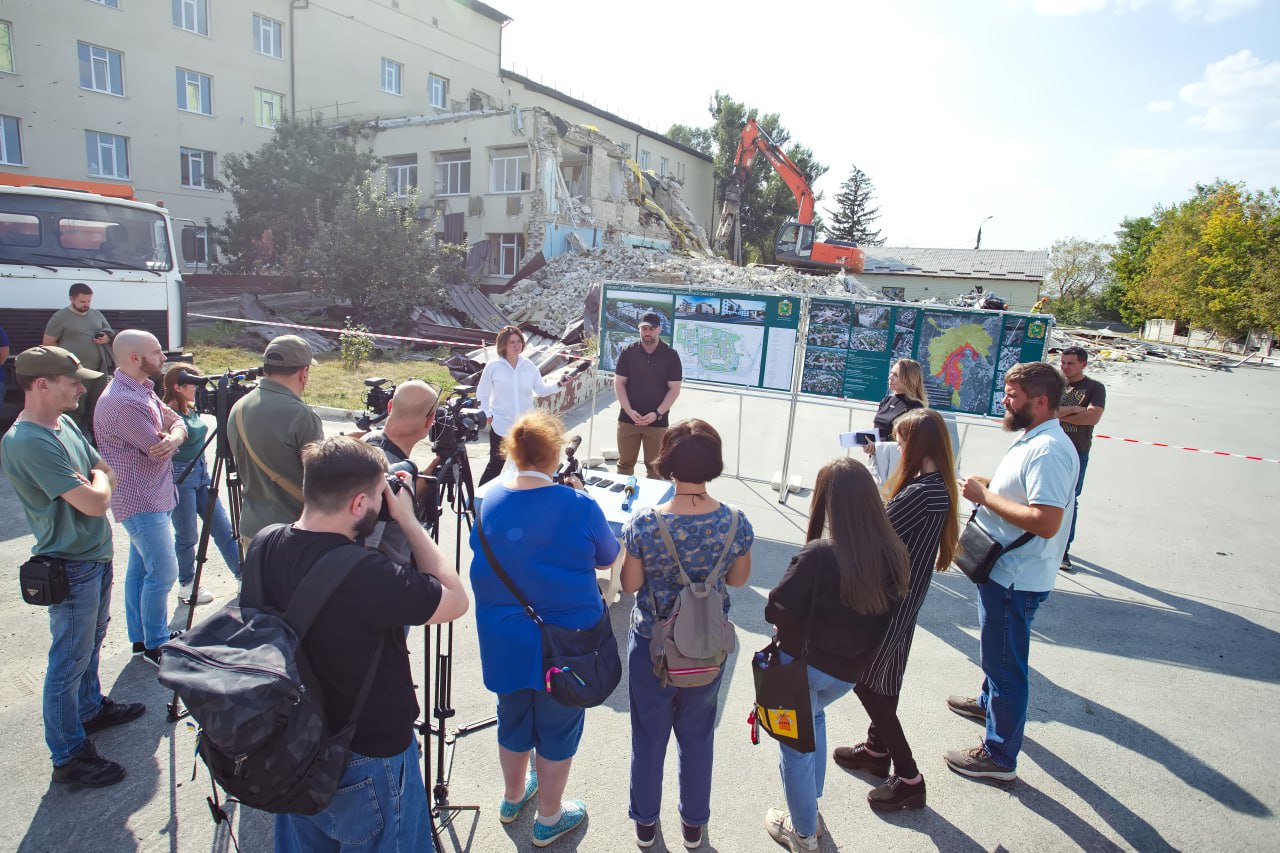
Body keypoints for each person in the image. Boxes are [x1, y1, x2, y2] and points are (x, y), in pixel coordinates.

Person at [252, 437, 469, 852]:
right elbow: (455, 599)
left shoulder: (265, 544)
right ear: (357, 505)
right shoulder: (369, 574)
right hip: (367, 753)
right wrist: (407, 519)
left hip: (292, 746)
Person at [468, 410, 620, 848]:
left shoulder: (490, 499)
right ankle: (549, 817)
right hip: (566, 643)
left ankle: (513, 796)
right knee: (558, 725)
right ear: (555, 454)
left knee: (512, 718)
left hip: (504, 638)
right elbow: (608, 556)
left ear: (512, 451)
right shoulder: (578, 504)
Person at [1, 346, 144, 788]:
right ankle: (68, 755)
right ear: (41, 384)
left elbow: (105, 469)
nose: (82, 388)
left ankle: (88, 709)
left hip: (93, 555)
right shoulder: (27, 440)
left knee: (92, 643)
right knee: (68, 660)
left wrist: (95, 482)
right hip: (70, 563)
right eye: (73, 381)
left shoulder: (62, 424)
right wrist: (95, 486)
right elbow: (96, 497)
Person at [620, 419, 754, 849]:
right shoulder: (736, 522)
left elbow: (630, 586)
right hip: (708, 648)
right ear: (713, 463)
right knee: (698, 736)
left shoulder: (645, 523)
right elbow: (737, 581)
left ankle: (645, 822)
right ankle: (693, 826)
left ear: (668, 463)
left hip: (654, 646)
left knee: (648, 735)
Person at [763, 458, 909, 852]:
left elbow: (774, 609)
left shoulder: (820, 554)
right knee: (814, 720)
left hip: (803, 669)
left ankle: (803, 832)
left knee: (795, 746)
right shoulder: (893, 554)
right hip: (848, 674)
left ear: (830, 504)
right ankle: (809, 808)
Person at [945, 362, 1078, 783]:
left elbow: (1045, 519)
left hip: (1016, 578)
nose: (1005, 401)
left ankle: (999, 756)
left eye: (1012, 395)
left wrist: (985, 495)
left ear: (1040, 402)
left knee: (1006, 666)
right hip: (1007, 573)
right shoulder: (1036, 438)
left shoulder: (1049, 450)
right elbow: (1028, 498)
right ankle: (988, 703)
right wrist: (994, 489)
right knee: (998, 656)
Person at [833, 408, 959, 811]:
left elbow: (877, 535)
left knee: (868, 682)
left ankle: (909, 777)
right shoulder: (935, 486)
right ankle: (876, 750)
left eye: (902, 441)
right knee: (884, 679)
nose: (897, 448)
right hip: (902, 597)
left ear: (918, 445)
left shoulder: (924, 492)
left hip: (890, 602)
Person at [94, 330, 186, 666]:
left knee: (140, 571)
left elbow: (176, 421)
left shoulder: (140, 390)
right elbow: (157, 452)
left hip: (151, 495)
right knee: (162, 571)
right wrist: (173, 439)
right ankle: (156, 644)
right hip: (142, 499)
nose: (164, 358)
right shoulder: (125, 402)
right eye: (157, 352)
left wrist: (173, 436)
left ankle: (142, 637)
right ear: (135, 358)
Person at [227, 335, 324, 545]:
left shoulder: (239, 407)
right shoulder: (301, 415)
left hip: (252, 529)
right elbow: (319, 483)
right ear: (303, 372)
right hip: (294, 533)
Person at [160, 363, 241, 605]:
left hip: (203, 473)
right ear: (178, 387)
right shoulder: (166, 414)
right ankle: (187, 584)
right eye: (194, 385)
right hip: (180, 476)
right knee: (187, 536)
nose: (200, 390)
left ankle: (242, 575)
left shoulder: (193, 408)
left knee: (223, 528)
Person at [476, 326, 569, 486]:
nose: (516, 345)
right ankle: (479, 500)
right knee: (495, 466)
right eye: (512, 342)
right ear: (503, 344)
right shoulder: (493, 366)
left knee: (529, 467)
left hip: (527, 427)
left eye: (519, 341)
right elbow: (482, 393)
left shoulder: (528, 365)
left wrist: (559, 384)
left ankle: (524, 497)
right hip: (501, 425)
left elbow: (540, 389)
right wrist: (487, 413)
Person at [361, 379, 441, 565]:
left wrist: (423, 479)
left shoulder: (368, 442)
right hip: (386, 582)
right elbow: (369, 545)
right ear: (430, 420)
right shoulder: (384, 468)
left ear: (390, 406)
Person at [614, 312, 682, 479]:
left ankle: (653, 505)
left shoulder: (671, 356)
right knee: (624, 465)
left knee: (656, 469)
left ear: (659, 329)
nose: (647, 332)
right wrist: (629, 411)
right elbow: (619, 383)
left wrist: (657, 413)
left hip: (657, 423)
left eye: (651, 329)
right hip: (628, 420)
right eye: (644, 328)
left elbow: (674, 389)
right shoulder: (627, 352)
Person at [1056, 346, 1105, 572]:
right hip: (1049, 448)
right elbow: (1045, 413)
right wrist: (1076, 409)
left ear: (1083, 364)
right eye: (1063, 362)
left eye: (1070, 363)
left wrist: (1062, 411)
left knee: (1069, 499)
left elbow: (1092, 417)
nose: (1065, 367)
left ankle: (1063, 550)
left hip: (1077, 451)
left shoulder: (1095, 388)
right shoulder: (1054, 384)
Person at [42, 283, 114, 440]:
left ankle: (97, 440)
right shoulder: (60, 317)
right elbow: (49, 343)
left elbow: (110, 333)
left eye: (89, 301)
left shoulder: (96, 314)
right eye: (82, 301)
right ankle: (73, 439)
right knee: (75, 409)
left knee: (97, 407)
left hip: (98, 372)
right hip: (73, 373)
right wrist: (60, 367)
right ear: (71, 298)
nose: (86, 305)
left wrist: (106, 338)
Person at [870, 358, 928, 442]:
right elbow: (874, 426)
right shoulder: (887, 400)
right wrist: (868, 443)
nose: (890, 377)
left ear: (909, 379)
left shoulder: (915, 407)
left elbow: (908, 441)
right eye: (891, 373)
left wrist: (877, 447)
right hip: (876, 453)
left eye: (896, 375)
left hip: (894, 453)